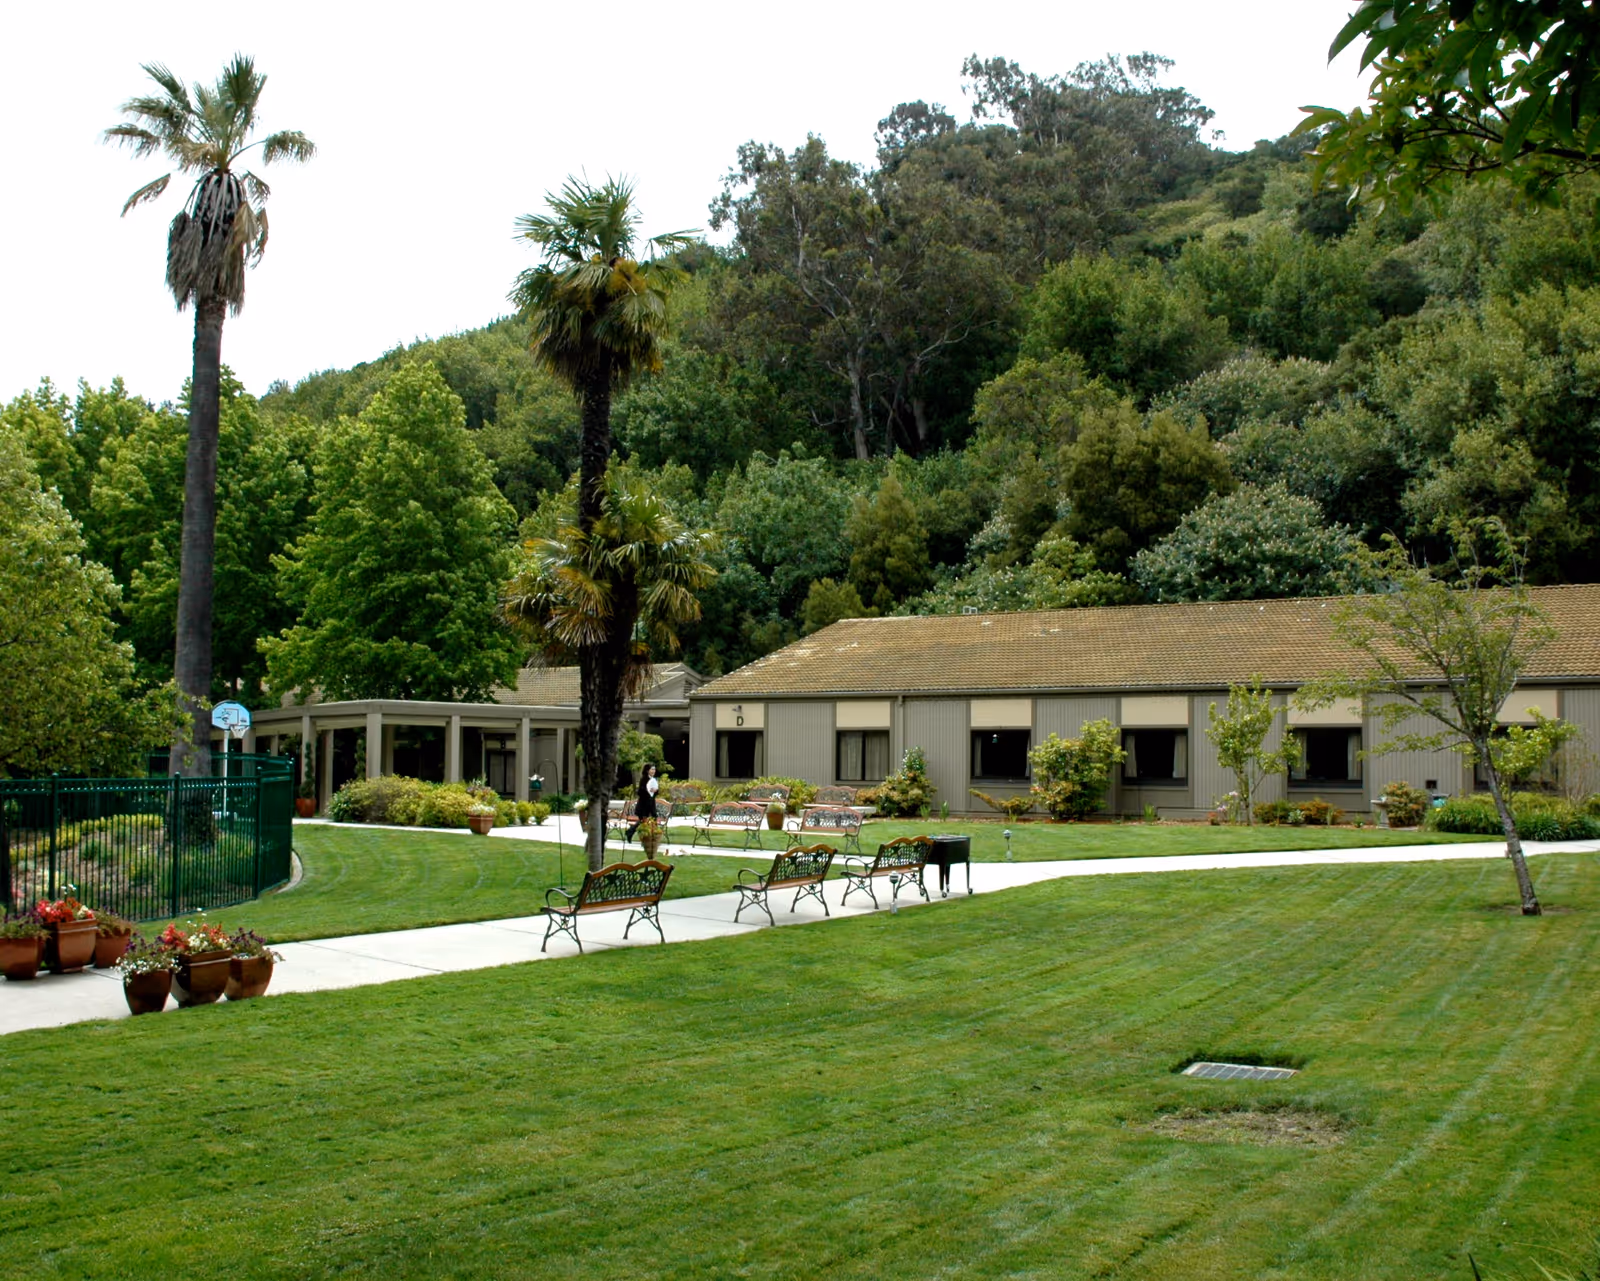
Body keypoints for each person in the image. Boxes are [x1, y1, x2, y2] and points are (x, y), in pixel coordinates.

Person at [625, 763, 660, 843]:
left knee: (653, 819)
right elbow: (640, 792)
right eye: (652, 769)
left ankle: (652, 837)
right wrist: (648, 791)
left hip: (651, 805)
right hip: (644, 806)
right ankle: (632, 832)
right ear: (647, 770)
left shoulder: (654, 780)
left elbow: (656, 792)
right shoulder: (644, 779)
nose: (653, 771)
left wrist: (655, 791)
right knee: (643, 821)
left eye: (654, 769)